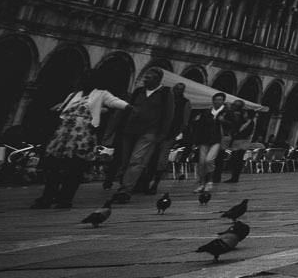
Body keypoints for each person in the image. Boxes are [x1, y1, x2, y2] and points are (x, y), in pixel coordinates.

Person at [33, 73, 128, 209]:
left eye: (89, 79)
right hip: (63, 134)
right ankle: (48, 196)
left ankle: (65, 198)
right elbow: (62, 109)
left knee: (75, 167)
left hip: (83, 136)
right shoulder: (73, 95)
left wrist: (127, 108)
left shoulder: (101, 95)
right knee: (54, 166)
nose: (85, 82)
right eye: (83, 79)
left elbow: (114, 104)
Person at [110, 67, 178, 203]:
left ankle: (125, 190)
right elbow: (125, 109)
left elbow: (168, 115)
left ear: (157, 79)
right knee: (126, 161)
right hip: (130, 130)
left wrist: (162, 134)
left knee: (137, 160)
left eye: (149, 77)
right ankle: (125, 185)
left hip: (150, 132)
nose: (145, 79)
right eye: (145, 77)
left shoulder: (165, 93)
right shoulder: (138, 91)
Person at [187, 92, 232, 205]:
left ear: (223, 101)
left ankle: (210, 181)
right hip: (204, 140)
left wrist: (224, 121)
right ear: (213, 101)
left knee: (209, 160)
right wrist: (195, 142)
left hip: (217, 140)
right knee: (201, 162)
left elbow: (233, 126)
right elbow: (200, 127)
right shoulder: (207, 113)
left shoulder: (227, 113)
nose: (217, 102)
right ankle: (202, 183)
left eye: (220, 100)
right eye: (216, 100)